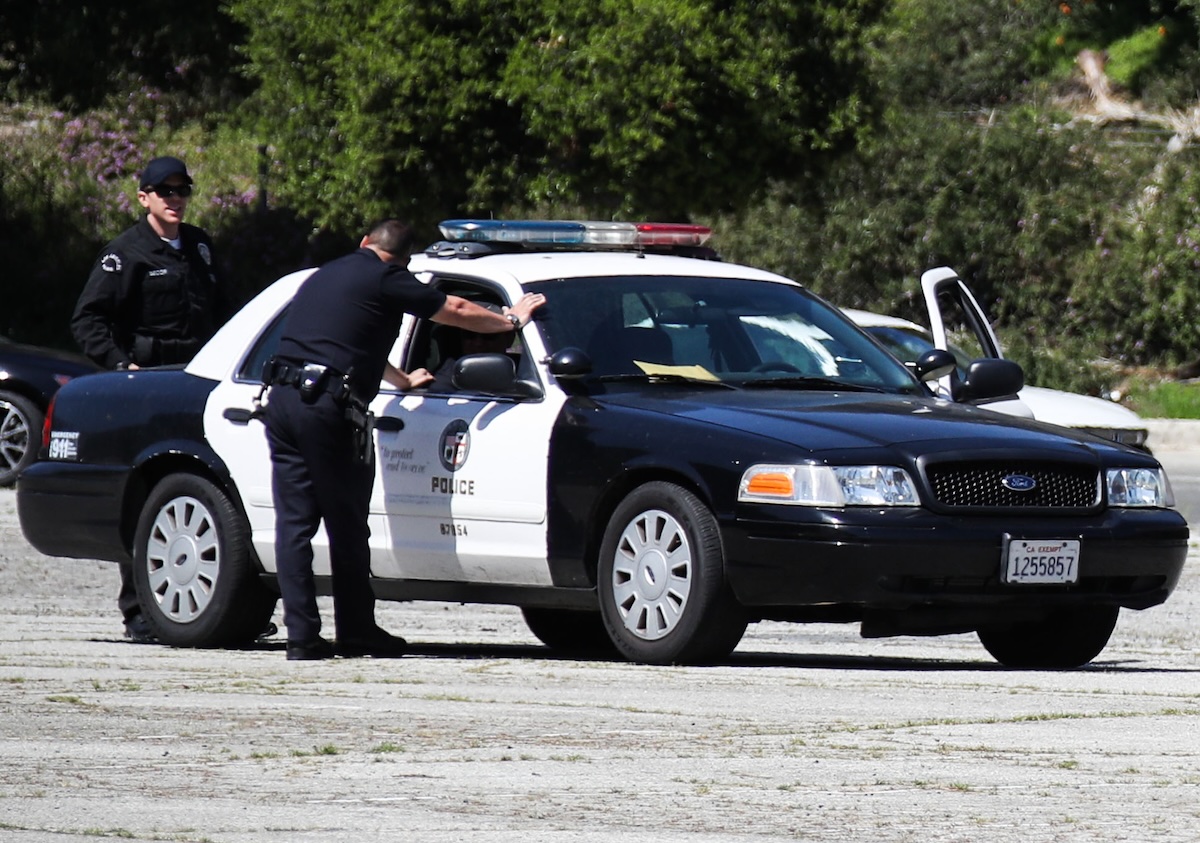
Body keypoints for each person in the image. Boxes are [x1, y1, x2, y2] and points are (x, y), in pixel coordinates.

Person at [264, 218, 545, 660]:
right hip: (326, 410)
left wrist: (400, 379)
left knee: (295, 523)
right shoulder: (388, 278)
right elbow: (455, 308)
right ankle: (356, 631)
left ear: (364, 242)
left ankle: (301, 637)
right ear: (404, 261)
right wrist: (511, 319)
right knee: (347, 523)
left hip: (282, 399)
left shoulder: (329, 272)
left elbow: (347, 342)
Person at [71, 155, 234, 643]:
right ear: (144, 197)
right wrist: (122, 366)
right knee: (150, 493)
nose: (175, 199)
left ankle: (220, 607)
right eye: (165, 192)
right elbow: (88, 320)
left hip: (199, 381)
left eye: (182, 190)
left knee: (206, 494)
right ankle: (139, 609)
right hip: (147, 386)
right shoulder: (125, 254)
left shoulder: (200, 246)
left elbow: (222, 310)